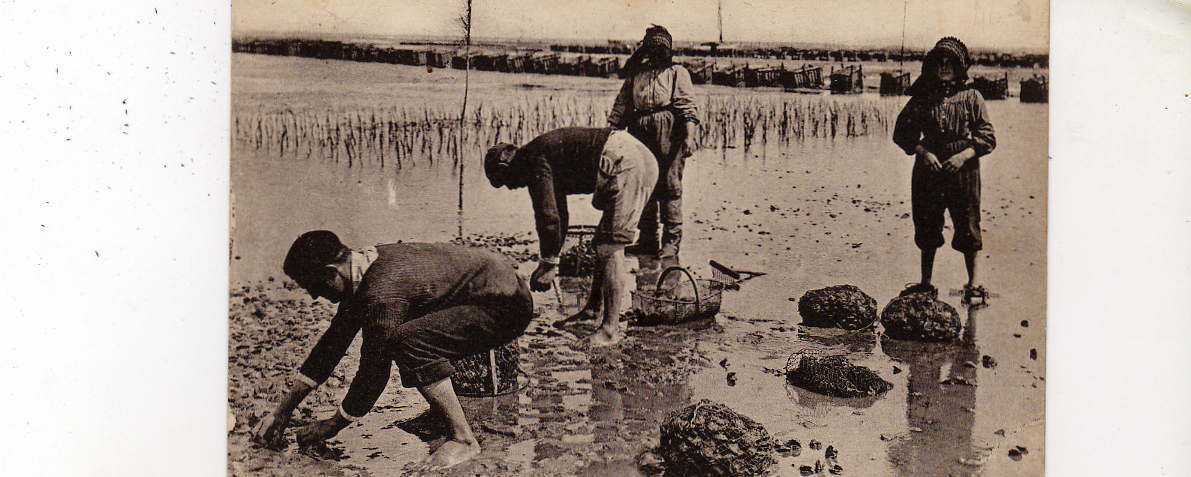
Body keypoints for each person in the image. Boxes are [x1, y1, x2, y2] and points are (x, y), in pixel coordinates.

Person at [252, 231, 533, 471]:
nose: (314, 296)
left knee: (407, 340)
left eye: (315, 287)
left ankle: (463, 440)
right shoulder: (362, 267)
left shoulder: (380, 293)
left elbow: (374, 372)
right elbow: (331, 345)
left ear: (331, 272)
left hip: (506, 304)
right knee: (408, 335)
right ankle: (444, 415)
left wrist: (332, 425)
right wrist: (282, 411)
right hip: (490, 286)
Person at [485, 127, 658, 346]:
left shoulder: (532, 159)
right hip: (630, 156)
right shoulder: (543, 154)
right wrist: (551, 259)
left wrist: (547, 264)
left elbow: (548, 216)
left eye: (504, 181)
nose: (511, 188)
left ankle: (609, 331)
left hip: (625, 163)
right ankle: (593, 311)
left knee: (611, 247)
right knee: (601, 243)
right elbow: (559, 213)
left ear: (506, 166)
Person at [892, 37, 996, 302]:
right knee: (926, 223)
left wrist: (963, 156)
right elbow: (903, 132)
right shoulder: (922, 97)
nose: (945, 67)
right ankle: (926, 283)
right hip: (929, 168)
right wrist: (923, 152)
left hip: (963, 169)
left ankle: (973, 284)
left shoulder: (972, 97)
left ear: (960, 67)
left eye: (950, 63)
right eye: (940, 62)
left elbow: (987, 137)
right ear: (932, 66)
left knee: (968, 222)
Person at [608, 25, 699, 258]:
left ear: (668, 50)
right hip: (639, 131)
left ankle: (671, 243)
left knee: (669, 186)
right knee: (643, 185)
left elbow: (687, 107)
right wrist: (611, 131)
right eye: (652, 47)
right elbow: (622, 105)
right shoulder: (637, 73)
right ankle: (648, 240)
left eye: (661, 48)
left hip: (669, 131)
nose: (657, 52)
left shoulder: (678, 73)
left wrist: (689, 137)